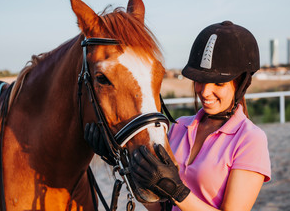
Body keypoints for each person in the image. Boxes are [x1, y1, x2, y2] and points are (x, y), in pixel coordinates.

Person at [85, 20, 271, 210]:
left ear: (241, 84)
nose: (205, 92)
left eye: (218, 84)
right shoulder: (179, 127)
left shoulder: (250, 139)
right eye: (200, 80)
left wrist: (178, 193)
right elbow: (158, 208)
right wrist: (118, 158)